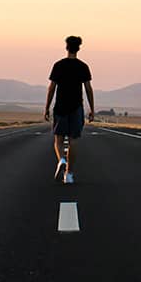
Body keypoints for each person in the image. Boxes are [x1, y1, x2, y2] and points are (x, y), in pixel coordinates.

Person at [44, 36, 95, 184]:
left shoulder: (58, 65)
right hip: (76, 107)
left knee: (58, 140)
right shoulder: (83, 66)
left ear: (66, 47)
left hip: (60, 107)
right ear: (78, 48)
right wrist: (92, 109)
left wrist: (46, 107)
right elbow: (88, 89)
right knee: (74, 141)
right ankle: (69, 174)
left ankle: (61, 159)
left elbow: (51, 88)